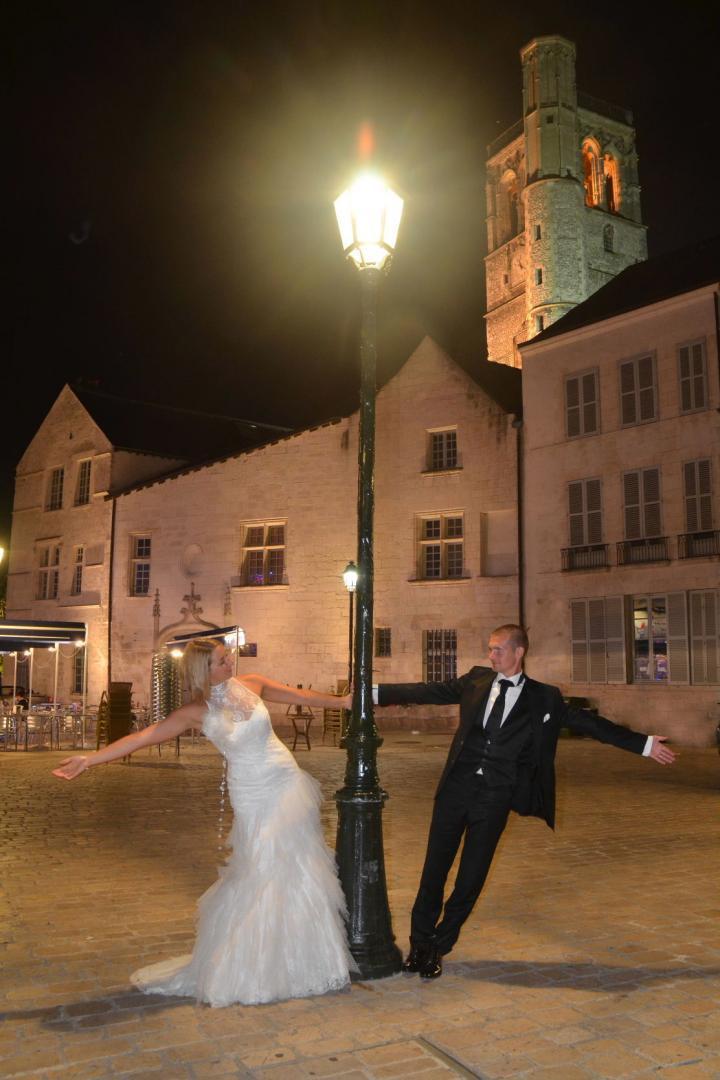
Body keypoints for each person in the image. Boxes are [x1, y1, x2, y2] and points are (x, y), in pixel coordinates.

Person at [53, 641, 355, 1007]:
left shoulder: (253, 683)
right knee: (263, 869)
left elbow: (301, 696)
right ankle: (253, 964)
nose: (230, 663)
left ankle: (305, 957)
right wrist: (90, 759)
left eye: (228, 657)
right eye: (221, 661)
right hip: (254, 793)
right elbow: (143, 737)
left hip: (288, 783)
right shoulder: (195, 712)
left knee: (298, 865)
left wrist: (342, 703)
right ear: (202, 671)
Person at [375, 624, 676, 981]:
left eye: (498, 649)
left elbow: (590, 725)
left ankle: (439, 946)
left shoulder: (544, 697)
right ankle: (420, 945)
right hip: (455, 792)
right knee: (433, 873)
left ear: (519, 653)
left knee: (470, 879)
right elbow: (428, 691)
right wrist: (371, 692)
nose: (491, 655)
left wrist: (642, 744)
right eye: (489, 649)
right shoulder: (475, 681)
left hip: (495, 799)